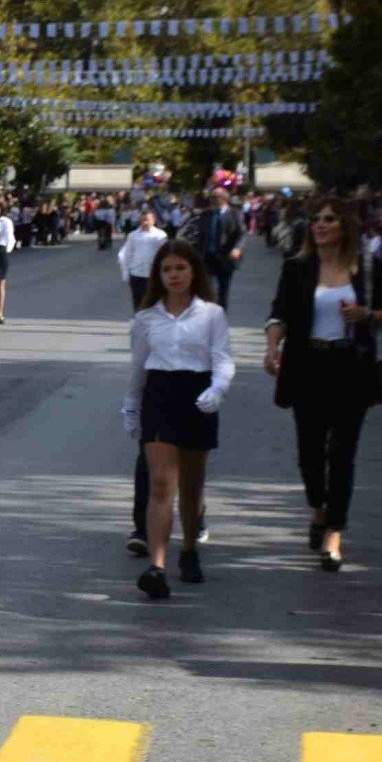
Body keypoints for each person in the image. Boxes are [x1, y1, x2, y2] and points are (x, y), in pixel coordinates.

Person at [263, 198, 382, 574]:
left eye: (330, 220)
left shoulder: (366, 267)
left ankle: (335, 533)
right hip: (308, 365)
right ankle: (318, 508)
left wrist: (365, 314)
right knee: (309, 452)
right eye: (317, 220)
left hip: (350, 366)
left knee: (342, 452)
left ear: (345, 226)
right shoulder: (298, 268)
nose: (320, 225)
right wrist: (273, 348)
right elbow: (278, 313)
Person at [124, 239, 234, 599]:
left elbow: (222, 358)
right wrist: (131, 407)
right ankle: (157, 566)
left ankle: (188, 548)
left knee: (191, 485)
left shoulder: (212, 314)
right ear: (158, 275)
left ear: (193, 272)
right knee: (160, 484)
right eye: (167, 269)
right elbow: (138, 367)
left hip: (197, 393)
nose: (174, 275)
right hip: (160, 395)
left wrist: (217, 389)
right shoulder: (145, 319)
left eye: (180, 268)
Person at [195, 185, 244, 309]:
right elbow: (200, 235)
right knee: (206, 289)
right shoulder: (206, 214)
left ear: (224, 198)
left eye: (215, 197)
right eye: (211, 197)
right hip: (207, 256)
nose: (211, 199)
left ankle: (221, 315)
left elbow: (241, 233)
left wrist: (237, 248)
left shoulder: (235, 213)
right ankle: (208, 314)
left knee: (223, 290)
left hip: (225, 257)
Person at [118, 205, 169, 310]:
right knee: (138, 304)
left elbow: (165, 255)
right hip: (136, 274)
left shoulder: (160, 235)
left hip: (153, 275)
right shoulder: (133, 235)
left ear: (153, 220)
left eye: (147, 220)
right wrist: (126, 272)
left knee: (154, 304)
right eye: (142, 220)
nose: (145, 222)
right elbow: (127, 254)